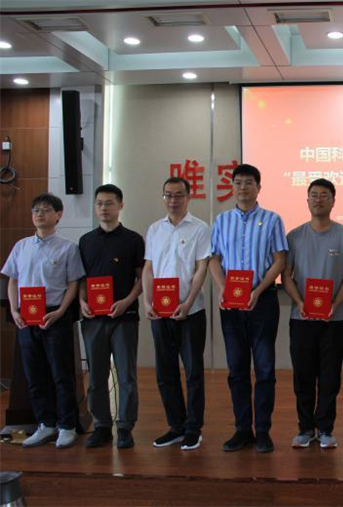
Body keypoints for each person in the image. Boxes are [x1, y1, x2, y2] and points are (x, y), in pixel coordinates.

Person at [209, 164, 288, 453]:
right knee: (237, 368)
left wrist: (258, 289)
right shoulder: (222, 220)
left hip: (262, 300)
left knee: (265, 368)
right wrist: (222, 288)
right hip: (231, 303)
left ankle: (263, 431)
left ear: (258, 187)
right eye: (238, 182)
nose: (243, 187)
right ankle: (242, 429)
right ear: (232, 187)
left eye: (249, 183)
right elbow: (214, 258)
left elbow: (280, 260)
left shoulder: (272, 219)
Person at [282, 178, 343, 449]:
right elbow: (286, 274)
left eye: (324, 195)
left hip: (333, 319)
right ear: (307, 201)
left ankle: (326, 429)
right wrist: (299, 302)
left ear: (333, 201)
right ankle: (305, 428)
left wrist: (335, 304)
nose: (318, 199)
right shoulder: (294, 236)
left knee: (329, 376)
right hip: (301, 318)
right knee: (303, 376)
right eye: (314, 195)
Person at [2, 193, 85, 449]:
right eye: (36, 210)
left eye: (46, 210)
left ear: (58, 215)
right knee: (34, 374)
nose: (40, 214)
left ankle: (67, 426)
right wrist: (14, 310)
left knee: (61, 374)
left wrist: (61, 311)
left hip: (54, 316)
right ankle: (45, 424)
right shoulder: (21, 246)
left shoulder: (68, 248)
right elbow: (12, 280)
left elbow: (73, 283)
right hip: (26, 318)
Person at [142, 177, 211, 450]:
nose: (173, 200)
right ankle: (176, 427)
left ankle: (193, 428)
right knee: (165, 372)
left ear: (188, 197)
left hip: (191, 312)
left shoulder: (200, 228)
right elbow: (149, 268)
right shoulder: (154, 229)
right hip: (160, 313)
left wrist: (188, 302)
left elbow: (201, 268)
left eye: (179, 195)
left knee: (193, 372)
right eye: (168, 195)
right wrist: (147, 301)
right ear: (163, 197)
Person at [78, 184, 145, 449]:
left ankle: (125, 427)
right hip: (93, 319)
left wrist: (127, 301)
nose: (104, 208)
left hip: (124, 318)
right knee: (96, 375)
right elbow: (81, 279)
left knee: (126, 375)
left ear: (120, 205)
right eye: (99, 203)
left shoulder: (133, 240)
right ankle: (102, 426)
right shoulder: (86, 241)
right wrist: (82, 301)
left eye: (109, 203)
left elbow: (142, 278)